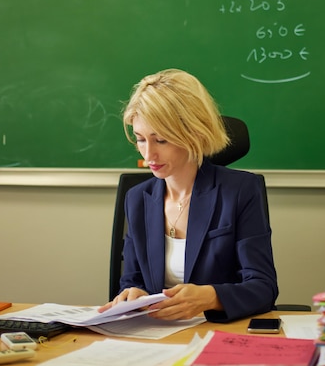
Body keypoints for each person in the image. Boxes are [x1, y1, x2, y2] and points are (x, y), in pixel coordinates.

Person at [98, 69, 279, 322]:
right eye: (140, 139)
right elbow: (131, 280)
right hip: (156, 338)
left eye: (160, 140)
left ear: (193, 133)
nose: (148, 154)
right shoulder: (138, 198)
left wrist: (211, 297)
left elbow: (263, 288)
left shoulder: (239, 191)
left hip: (216, 334)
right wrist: (132, 294)